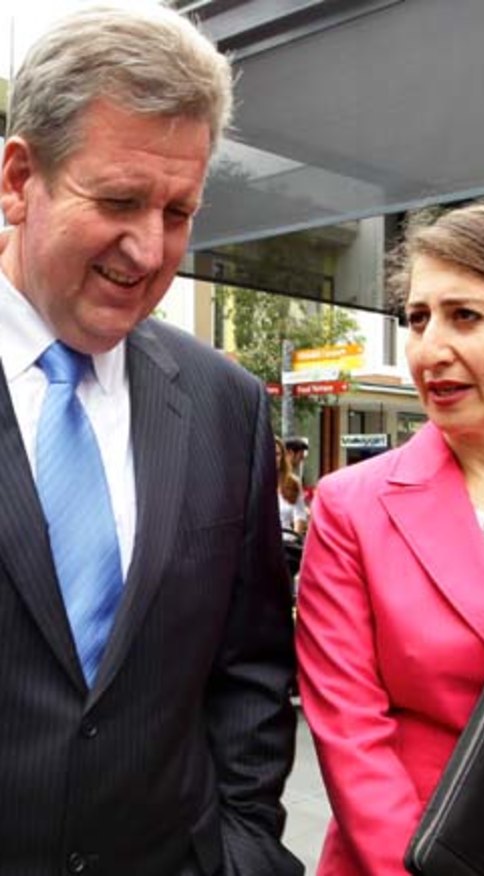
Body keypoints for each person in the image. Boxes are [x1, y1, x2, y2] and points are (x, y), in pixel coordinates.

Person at [0, 5, 302, 875]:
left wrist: (243, 850)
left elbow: (250, 670)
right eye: (120, 200)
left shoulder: (225, 406)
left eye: (179, 210)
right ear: (19, 179)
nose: (149, 248)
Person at [296, 202, 484, 876]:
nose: (430, 350)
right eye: (418, 319)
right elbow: (351, 734)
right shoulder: (351, 506)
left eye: (466, 316)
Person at [275, 436, 308, 537]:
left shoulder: (293, 482)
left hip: (286, 541)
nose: (275, 458)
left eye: (277, 454)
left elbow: (300, 516)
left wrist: (295, 538)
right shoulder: (254, 483)